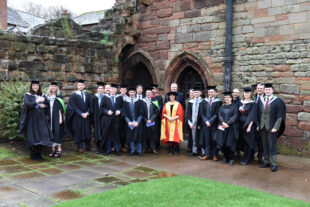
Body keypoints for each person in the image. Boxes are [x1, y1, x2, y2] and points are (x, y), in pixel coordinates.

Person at [19, 79, 52, 160]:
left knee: (42, 137)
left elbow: (47, 105)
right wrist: (37, 101)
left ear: (39, 86)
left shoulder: (42, 95)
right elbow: (27, 105)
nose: (35, 87)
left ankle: (39, 154)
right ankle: (33, 155)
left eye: (37, 85)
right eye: (34, 85)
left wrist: (44, 106)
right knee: (33, 137)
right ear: (31, 86)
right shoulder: (28, 95)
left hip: (41, 120)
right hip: (32, 120)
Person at [258, 83, 286, 172]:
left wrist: (276, 127)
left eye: (269, 90)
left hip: (272, 128)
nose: (267, 91)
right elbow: (258, 114)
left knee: (272, 145)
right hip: (262, 127)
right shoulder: (261, 100)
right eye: (266, 90)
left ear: (272, 91)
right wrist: (258, 125)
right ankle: (266, 161)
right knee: (264, 145)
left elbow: (280, 116)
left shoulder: (278, 101)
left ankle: (274, 164)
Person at [65, 79, 91, 153]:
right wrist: (81, 113)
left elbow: (90, 105)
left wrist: (87, 113)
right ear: (77, 86)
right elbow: (73, 106)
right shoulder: (73, 95)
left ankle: (88, 146)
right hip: (78, 117)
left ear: (84, 86)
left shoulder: (88, 94)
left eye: (82, 85)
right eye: (79, 85)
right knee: (78, 132)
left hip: (86, 116)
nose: (81, 86)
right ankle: (80, 147)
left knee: (87, 131)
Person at [215, 91, 239, 165]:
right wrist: (223, 123)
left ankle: (231, 158)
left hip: (231, 128)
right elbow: (219, 115)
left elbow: (235, 116)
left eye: (228, 97)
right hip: (222, 128)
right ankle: (225, 157)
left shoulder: (234, 107)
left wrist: (228, 123)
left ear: (231, 98)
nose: (227, 98)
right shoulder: (222, 107)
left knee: (229, 144)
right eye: (225, 97)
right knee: (222, 143)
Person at [199, 86, 222, 161]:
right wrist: (206, 121)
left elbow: (217, 113)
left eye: (212, 92)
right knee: (207, 139)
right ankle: (207, 154)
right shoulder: (204, 101)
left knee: (214, 140)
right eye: (209, 92)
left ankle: (215, 155)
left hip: (214, 124)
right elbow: (202, 113)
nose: (210, 93)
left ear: (215, 93)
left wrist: (210, 121)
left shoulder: (218, 101)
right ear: (207, 93)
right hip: (206, 124)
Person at [100, 84, 123, 156]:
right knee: (108, 134)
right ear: (109, 90)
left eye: (114, 89)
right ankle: (108, 149)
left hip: (116, 119)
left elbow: (123, 107)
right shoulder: (105, 97)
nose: (113, 90)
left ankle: (117, 149)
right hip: (108, 119)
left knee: (116, 134)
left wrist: (120, 111)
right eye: (112, 89)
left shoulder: (119, 98)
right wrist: (107, 112)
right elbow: (101, 108)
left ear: (116, 90)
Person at [45, 82, 65, 158]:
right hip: (49, 117)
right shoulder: (47, 96)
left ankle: (59, 149)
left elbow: (61, 109)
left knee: (57, 132)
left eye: (54, 86)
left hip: (56, 117)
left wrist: (60, 118)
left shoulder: (59, 97)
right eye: (52, 86)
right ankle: (53, 149)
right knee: (51, 132)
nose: (53, 88)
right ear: (50, 87)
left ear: (57, 88)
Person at [238, 87, 258, 165]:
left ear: (250, 94)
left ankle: (247, 159)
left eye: (248, 93)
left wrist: (249, 126)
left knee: (248, 142)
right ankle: (248, 157)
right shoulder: (240, 102)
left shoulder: (253, 103)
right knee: (243, 141)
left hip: (248, 125)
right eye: (245, 93)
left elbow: (253, 115)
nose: (246, 94)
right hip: (241, 125)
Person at [123, 87, 144, 156]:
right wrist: (128, 122)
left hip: (138, 123)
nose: (132, 93)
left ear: (135, 93)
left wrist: (137, 122)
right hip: (130, 123)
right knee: (130, 136)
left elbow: (141, 113)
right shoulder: (126, 101)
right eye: (130, 92)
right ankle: (132, 150)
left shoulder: (139, 101)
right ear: (128, 93)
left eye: (133, 92)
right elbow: (124, 113)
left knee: (139, 136)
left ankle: (139, 150)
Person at [142, 87, 159, 154]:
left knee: (152, 135)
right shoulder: (142, 101)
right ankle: (144, 148)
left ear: (152, 94)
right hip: (144, 122)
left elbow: (156, 112)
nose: (148, 94)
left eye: (150, 93)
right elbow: (141, 112)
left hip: (152, 122)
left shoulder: (155, 101)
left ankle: (153, 148)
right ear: (145, 94)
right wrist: (146, 120)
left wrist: (151, 119)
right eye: (147, 93)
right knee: (144, 135)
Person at [90, 82, 105, 154]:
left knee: (103, 132)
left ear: (104, 89)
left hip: (104, 118)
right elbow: (91, 109)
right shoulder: (93, 97)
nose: (100, 90)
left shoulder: (105, 97)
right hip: (96, 118)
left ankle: (103, 147)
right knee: (96, 133)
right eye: (99, 88)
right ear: (97, 89)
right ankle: (98, 148)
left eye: (102, 88)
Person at [187, 87, 203, 156]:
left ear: (200, 93)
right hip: (192, 123)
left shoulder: (203, 102)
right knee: (193, 137)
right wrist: (190, 123)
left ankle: (201, 151)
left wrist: (200, 124)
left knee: (200, 137)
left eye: (197, 92)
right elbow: (189, 113)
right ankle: (194, 151)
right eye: (195, 92)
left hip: (200, 123)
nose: (196, 93)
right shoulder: (190, 102)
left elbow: (203, 114)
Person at [253, 83, 265, 163]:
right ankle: (251, 155)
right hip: (252, 122)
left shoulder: (266, 98)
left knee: (261, 141)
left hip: (262, 123)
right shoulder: (253, 97)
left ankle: (260, 156)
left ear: (263, 89)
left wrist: (259, 124)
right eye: (258, 88)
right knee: (253, 139)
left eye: (261, 88)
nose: (259, 89)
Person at [151, 84, 163, 149]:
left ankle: (156, 144)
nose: (153, 90)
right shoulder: (149, 97)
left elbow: (160, 107)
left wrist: (156, 113)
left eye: (154, 89)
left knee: (156, 131)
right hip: (150, 117)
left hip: (156, 118)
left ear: (157, 90)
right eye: (152, 89)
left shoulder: (159, 97)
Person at [119, 84, 129, 152]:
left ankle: (123, 146)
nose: (123, 91)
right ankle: (115, 146)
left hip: (125, 118)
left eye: (124, 90)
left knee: (124, 132)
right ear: (120, 90)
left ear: (126, 91)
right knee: (116, 132)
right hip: (118, 118)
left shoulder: (128, 98)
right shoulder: (117, 97)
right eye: (122, 89)